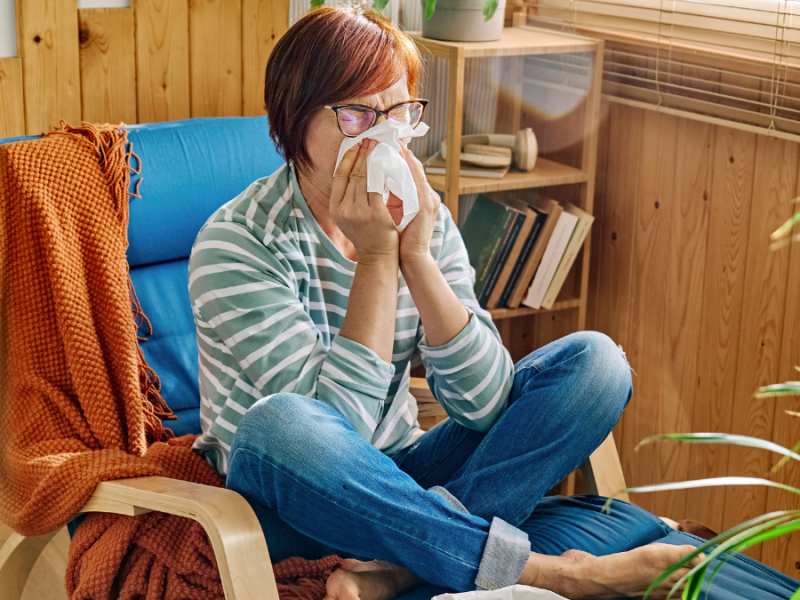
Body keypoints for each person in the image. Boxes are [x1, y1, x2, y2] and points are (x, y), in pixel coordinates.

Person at [187, 4, 798, 600]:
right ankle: (555, 573)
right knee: (282, 422)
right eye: (357, 115)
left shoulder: (422, 217)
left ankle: (403, 564)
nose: (384, 137)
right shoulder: (235, 244)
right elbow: (336, 429)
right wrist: (377, 260)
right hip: (290, 493)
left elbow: (482, 405)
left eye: (399, 112)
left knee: (597, 364)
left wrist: (417, 258)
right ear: (293, 120)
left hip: (405, 477)